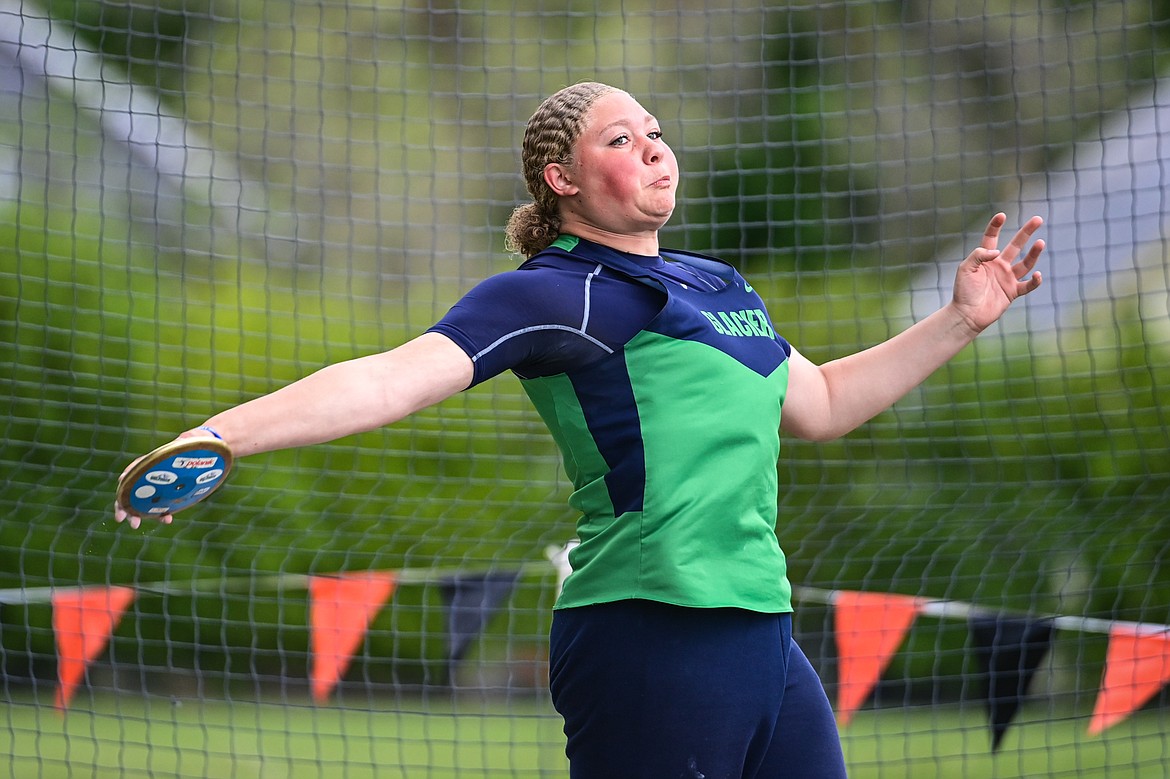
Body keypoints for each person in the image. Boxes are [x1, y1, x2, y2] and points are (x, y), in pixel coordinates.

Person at [115, 81, 1044, 778]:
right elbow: (389, 380)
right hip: (647, 637)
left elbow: (826, 403)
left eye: (658, 134)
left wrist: (959, 318)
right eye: (621, 137)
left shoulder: (720, 286)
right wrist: (224, 433)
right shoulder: (554, 291)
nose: (652, 148)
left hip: (765, 636)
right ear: (562, 178)